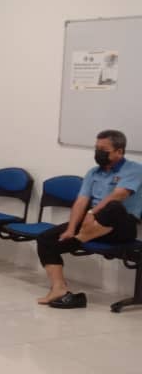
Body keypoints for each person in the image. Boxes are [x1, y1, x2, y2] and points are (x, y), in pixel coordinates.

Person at [36, 129, 142, 308]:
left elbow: (119, 195)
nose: (98, 153)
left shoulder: (135, 169)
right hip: (93, 227)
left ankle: (81, 237)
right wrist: (71, 229)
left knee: (114, 207)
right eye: (96, 148)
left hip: (121, 229)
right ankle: (59, 288)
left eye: (103, 150)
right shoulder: (93, 172)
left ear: (119, 151)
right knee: (45, 239)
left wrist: (92, 214)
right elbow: (81, 201)